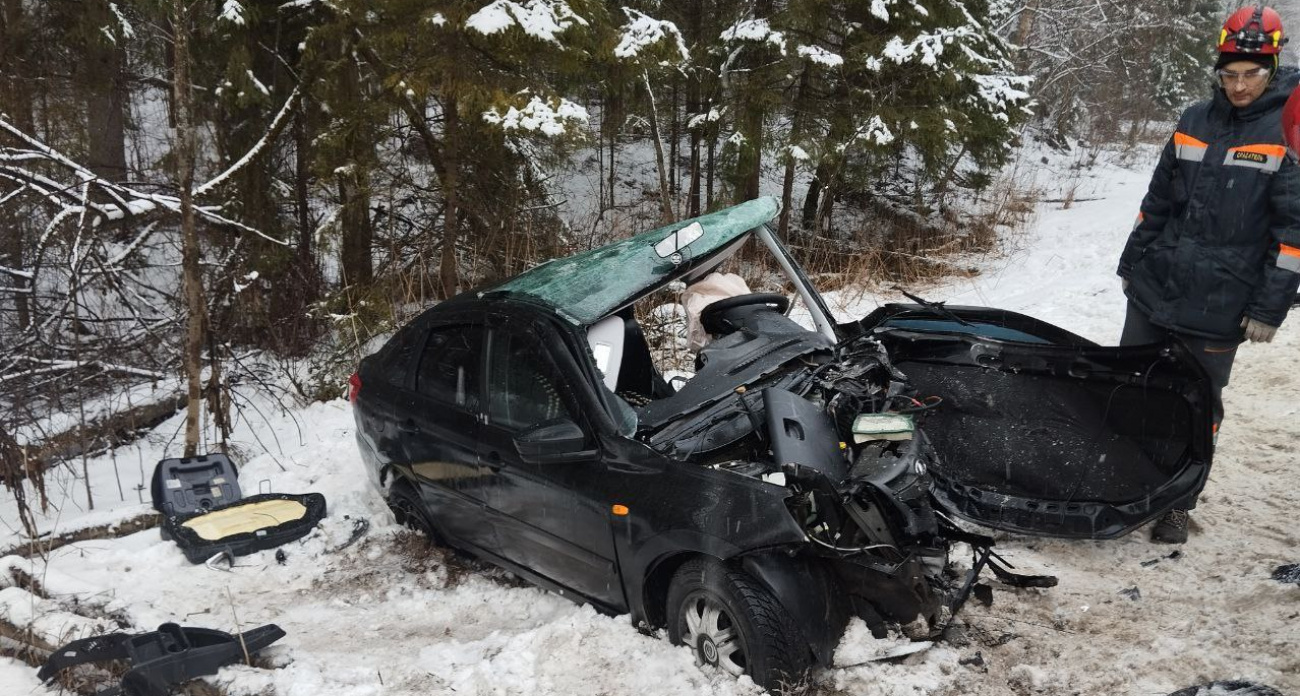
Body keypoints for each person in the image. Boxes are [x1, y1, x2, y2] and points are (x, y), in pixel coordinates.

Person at [1117, 4, 1300, 544]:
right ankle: (1125, 487)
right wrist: (1133, 265)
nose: (1240, 85)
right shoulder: (1194, 120)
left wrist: (1268, 309)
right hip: (1157, 289)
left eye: (1252, 74)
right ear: (1217, 69)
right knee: (1132, 390)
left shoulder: (1287, 131)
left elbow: (1293, 236)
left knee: (1195, 407)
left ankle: (1176, 503)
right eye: (1230, 73)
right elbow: (1156, 202)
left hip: (1222, 304)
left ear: (1272, 67)